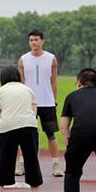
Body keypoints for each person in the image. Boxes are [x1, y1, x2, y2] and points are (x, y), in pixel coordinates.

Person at [0, 67, 43, 192]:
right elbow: (34, 110)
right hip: (29, 125)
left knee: (3, 160)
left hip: (7, 126)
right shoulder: (28, 90)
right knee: (31, 159)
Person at [18, 29, 63, 177]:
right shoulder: (23, 59)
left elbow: (54, 82)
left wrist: (54, 101)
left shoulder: (51, 59)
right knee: (24, 134)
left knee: (51, 134)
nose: (34, 43)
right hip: (28, 103)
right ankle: (22, 164)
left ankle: (56, 164)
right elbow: (21, 82)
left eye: (36, 40)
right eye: (31, 40)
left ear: (42, 41)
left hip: (47, 103)